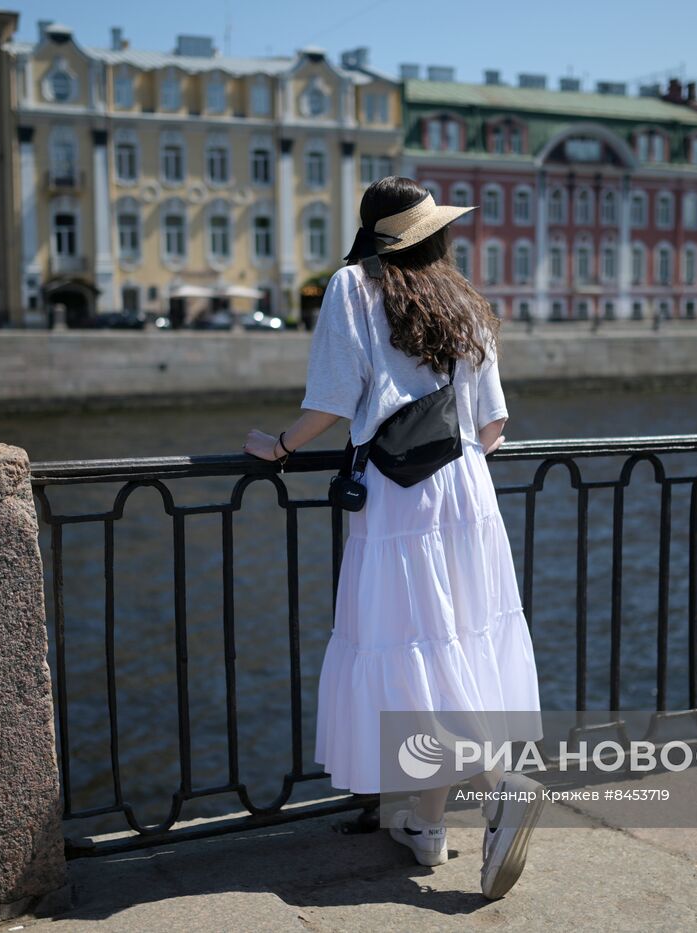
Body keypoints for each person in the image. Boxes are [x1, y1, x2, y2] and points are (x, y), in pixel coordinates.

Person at [244, 176, 544, 899]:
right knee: (455, 640)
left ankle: (503, 786)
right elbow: (493, 426)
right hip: (468, 488)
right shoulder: (465, 299)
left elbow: (332, 398)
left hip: (400, 497)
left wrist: (279, 445)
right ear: (434, 235)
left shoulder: (354, 287)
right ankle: (428, 829)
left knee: (414, 647)